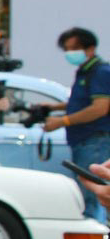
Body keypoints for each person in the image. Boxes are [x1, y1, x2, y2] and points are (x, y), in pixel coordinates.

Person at [46, 27, 110, 222]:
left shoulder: (100, 72)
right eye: (66, 49)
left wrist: (62, 121)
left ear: (90, 48)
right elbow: (83, 101)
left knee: (94, 196)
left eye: (73, 48)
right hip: (83, 140)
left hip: (95, 140)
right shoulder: (86, 72)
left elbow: (99, 108)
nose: (69, 54)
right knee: (87, 193)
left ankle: (96, 238)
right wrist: (54, 107)